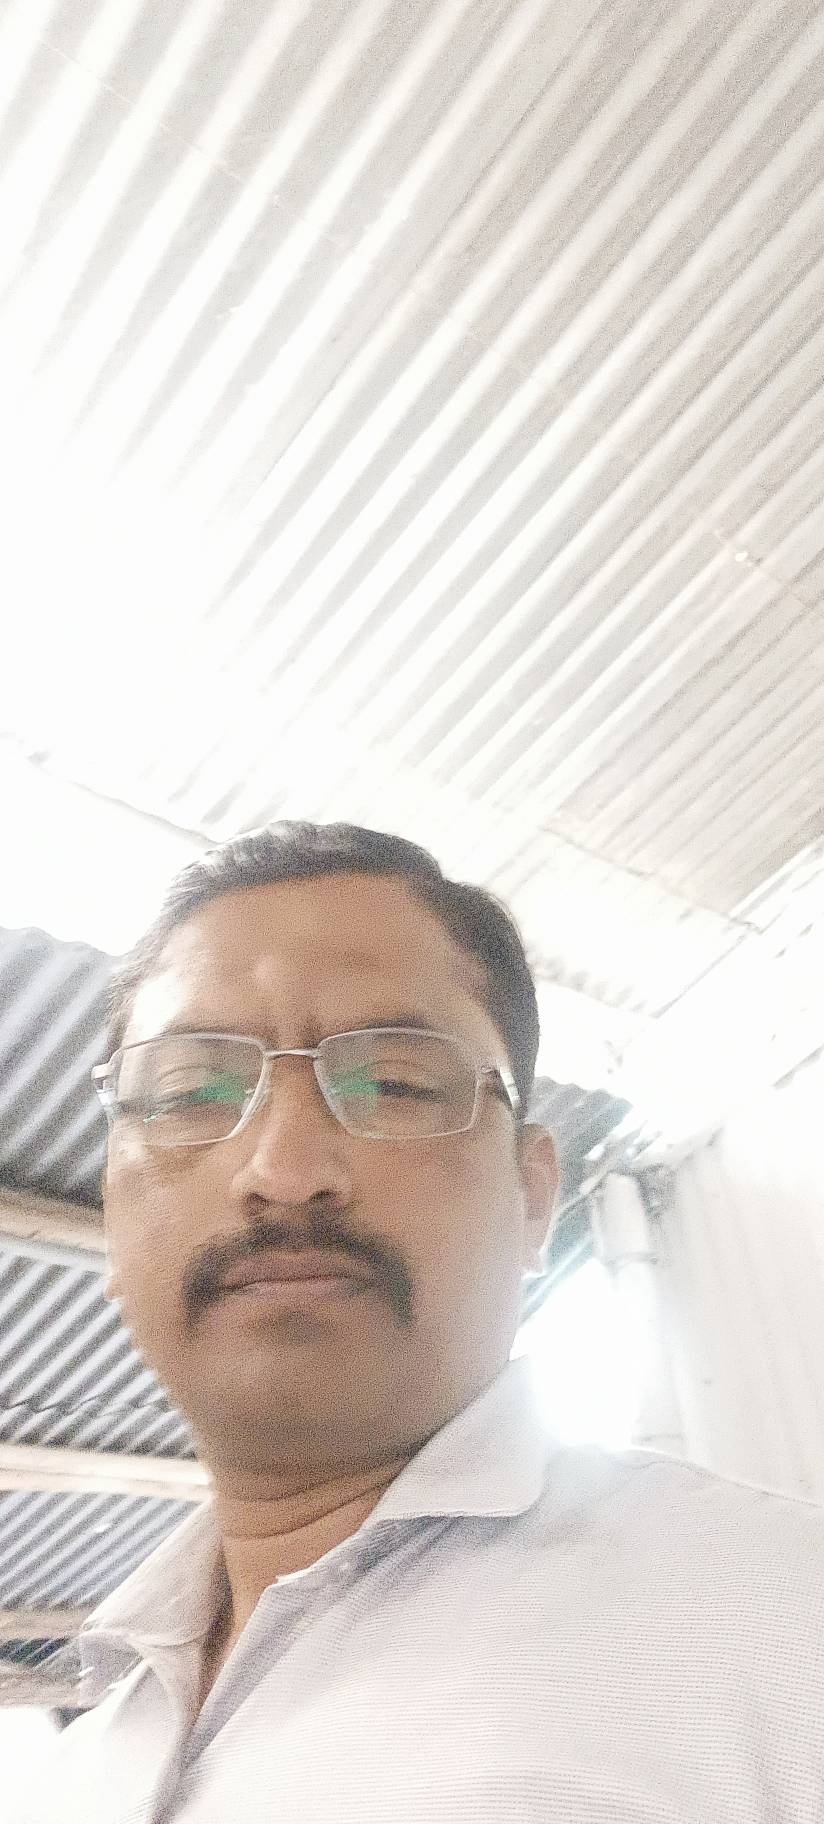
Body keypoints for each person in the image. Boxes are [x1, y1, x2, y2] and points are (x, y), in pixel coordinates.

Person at [23, 822, 824, 1823]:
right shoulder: (77, 1764)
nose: (283, 1171)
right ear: (112, 1208)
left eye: (394, 1083)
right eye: (192, 1093)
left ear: (533, 1196)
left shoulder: (783, 1622)